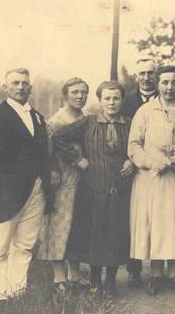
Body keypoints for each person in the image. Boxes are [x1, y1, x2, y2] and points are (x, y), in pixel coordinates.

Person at [0, 68, 51, 302]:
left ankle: (17, 291)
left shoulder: (37, 116)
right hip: (5, 191)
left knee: (25, 244)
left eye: (25, 83)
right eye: (15, 83)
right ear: (5, 88)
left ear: (30, 88)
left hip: (35, 190)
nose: (20, 87)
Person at [53, 81, 134, 298]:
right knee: (95, 234)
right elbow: (58, 138)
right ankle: (96, 279)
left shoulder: (130, 124)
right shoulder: (88, 122)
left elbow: (140, 145)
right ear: (100, 100)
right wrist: (77, 159)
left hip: (120, 190)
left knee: (116, 235)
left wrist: (132, 160)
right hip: (93, 189)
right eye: (107, 98)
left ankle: (111, 280)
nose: (111, 102)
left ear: (122, 100)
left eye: (116, 98)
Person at [128, 66, 175, 295]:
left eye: (174, 82)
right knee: (156, 224)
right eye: (165, 82)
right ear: (158, 84)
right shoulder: (145, 111)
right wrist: (150, 162)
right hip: (153, 180)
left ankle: (173, 273)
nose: (169, 87)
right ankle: (155, 275)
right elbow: (133, 145)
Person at [38, 77, 90, 296]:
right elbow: (46, 152)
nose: (79, 96)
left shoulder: (85, 118)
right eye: (75, 92)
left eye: (83, 92)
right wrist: (52, 173)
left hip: (81, 179)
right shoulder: (56, 120)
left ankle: (75, 275)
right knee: (58, 226)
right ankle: (59, 277)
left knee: (77, 227)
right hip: (61, 180)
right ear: (65, 95)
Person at [121, 63, 158, 286]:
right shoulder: (126, 102)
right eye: (142, 74)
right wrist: (130, 160)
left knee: (157, 216)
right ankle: (133, 266)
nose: (146, 78)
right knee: (134, 217)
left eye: (150, 73)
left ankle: (158, 267)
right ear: (136, 77)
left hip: (157, 169)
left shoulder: (165, 100)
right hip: (132, 167)